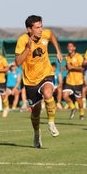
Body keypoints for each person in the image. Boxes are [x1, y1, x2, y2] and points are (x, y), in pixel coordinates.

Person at [15, 15, 63, 148]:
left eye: (41, 26)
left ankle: (51, 122)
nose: (41, 29)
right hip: (30, 81)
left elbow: (52, 35)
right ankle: (36, 133)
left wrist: (58, 51)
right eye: (37, 27)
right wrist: (27, 49)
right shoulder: (23, 40)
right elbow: (18, 63)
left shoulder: (45, 34)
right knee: (35, 111)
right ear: (29, 29)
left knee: (48, 93)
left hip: (46, 74)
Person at [62, 42, 85, 120]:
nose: (69, 48)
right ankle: (73, 108)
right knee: (64, 95)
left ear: (74, 48)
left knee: (79, 99)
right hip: (69, 80)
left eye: (71, 46)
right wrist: (64, 68)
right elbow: (68, 66)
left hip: (78, 81)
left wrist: (72, 67)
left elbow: (82, 68)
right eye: (68, 46)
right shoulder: (67, 57)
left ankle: (81, 113)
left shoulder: (79, 56)